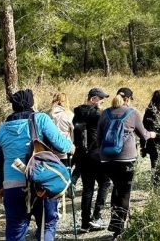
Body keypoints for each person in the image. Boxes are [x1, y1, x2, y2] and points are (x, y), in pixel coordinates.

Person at [0, 89, 74, 241]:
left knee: (15, 231)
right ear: (31, 103)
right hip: (41, 184)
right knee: (47, 225)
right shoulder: (41, 119)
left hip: (12, 186)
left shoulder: (1, 129)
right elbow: (61, 145)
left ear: (13, 106)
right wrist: (71, 146)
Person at [98, 87, 156, 239]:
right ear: (128, 99)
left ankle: (114, 223)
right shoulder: (132, 113)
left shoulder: (105, 113)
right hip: (126, 159)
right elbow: (143, 134)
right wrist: (152, 134)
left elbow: (99, 136)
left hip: (107, 159)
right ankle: (119, 228)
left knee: (116, 189)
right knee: (124, 192)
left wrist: (103, 154)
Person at [73, 87, 111, 232]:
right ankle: (96, 217)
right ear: (93, 99)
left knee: (87, 189)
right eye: (101, 99)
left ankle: (84, 223)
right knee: (105, 183)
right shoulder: (98, 114)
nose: (102, 101)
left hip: (82, 156)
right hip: (97, 155)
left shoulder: (77, 113)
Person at [48, 92, 74, 166]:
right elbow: (73, 132)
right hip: (65, 150)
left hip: (50, 150)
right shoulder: (69, 115)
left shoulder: (47, 114)